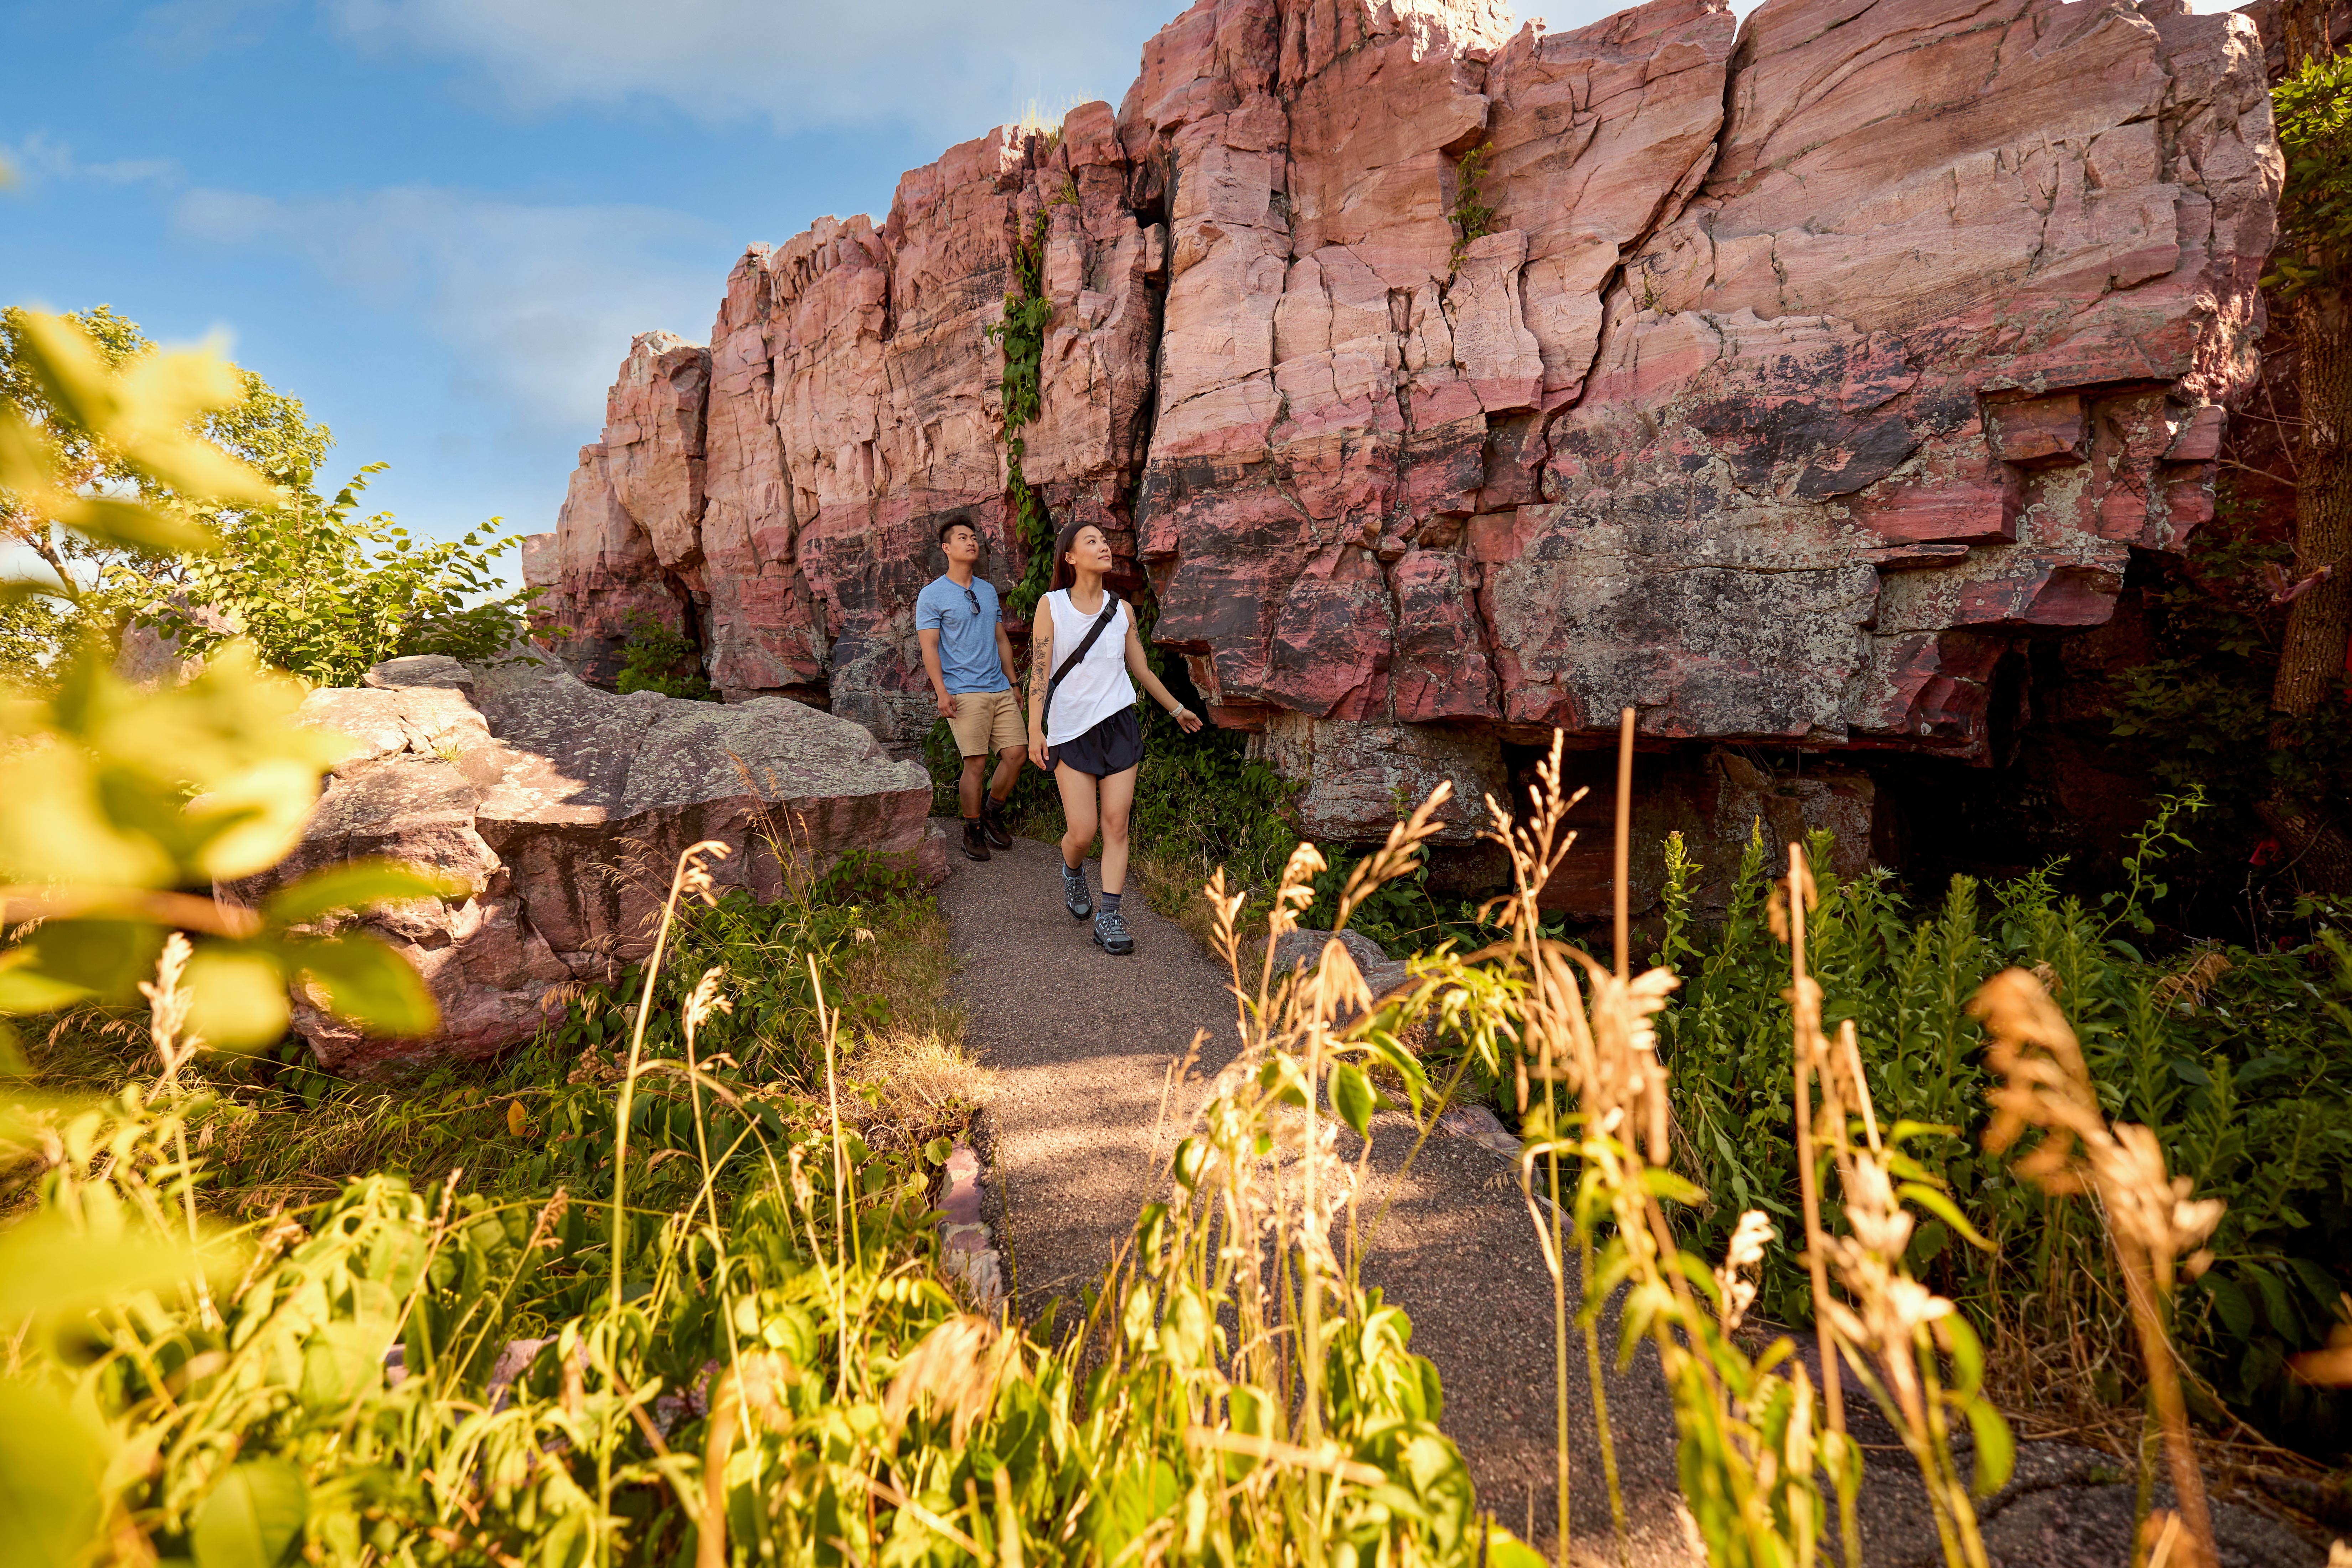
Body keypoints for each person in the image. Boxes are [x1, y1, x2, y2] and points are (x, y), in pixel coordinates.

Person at [1027, 518, 1202, 956]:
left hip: (1119, 725)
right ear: (1070, 557)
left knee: (1117, 823)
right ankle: (1072, 870)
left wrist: (1176, 708)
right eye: (1092, 541)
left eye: (1104, 541)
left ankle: (1109, 915)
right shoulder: (1051, 606)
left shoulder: (1121, 610)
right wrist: (1034, 729)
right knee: (1082, 831)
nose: (1103, 546)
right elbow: (1039, 673)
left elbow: (1140, 669)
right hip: (1071, 730)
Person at [916, 516, 1026, 862]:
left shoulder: (987, 590)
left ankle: (992, 812)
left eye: (974, 537)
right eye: (963, 538)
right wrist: (942, 692)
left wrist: (1013, 683)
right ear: (947, 548)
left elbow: (1000, 638)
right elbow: (930, 648)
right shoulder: (932, 595)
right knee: (976, 763)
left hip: (999, 687)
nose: (971, 542)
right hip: (964, 691)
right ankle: (972, 827)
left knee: (1017, 754)